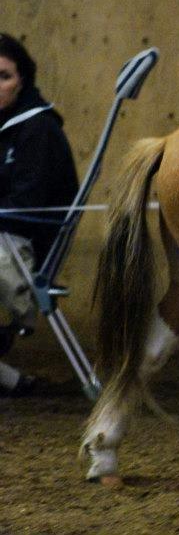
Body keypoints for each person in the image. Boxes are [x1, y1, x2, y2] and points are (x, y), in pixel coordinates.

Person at [0, 34, 79, 396]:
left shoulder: (38, 128)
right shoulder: (8, 125)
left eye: (4, 76)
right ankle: (14, 381)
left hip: (23, 248)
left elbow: (25, 206)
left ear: (23, 81)